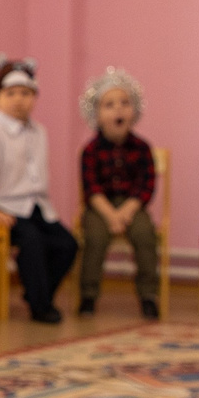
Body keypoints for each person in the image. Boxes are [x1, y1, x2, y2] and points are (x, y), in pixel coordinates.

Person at [0, 57, 76, 324]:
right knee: (32, 241)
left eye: (26, 93)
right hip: (5, 206)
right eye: (11, 94)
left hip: (37, 206)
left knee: (68, 244)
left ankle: (37, 293)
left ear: (35, 97)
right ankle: (41, 306)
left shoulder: (39, 131)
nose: (18, 100)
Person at [74, 67, 161, 318]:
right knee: (95, 238)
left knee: (145, 235)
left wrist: (127, 211)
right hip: (100, 206)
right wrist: (110, 215)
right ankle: (88, 295)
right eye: (109, 104)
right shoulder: (90, 150)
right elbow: (91, 188)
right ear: (97, 114)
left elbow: (146, 185)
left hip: (132, 205)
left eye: (124, 103)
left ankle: (148, 295)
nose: (118, 109)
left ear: (134, 111)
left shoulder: (143, 148)